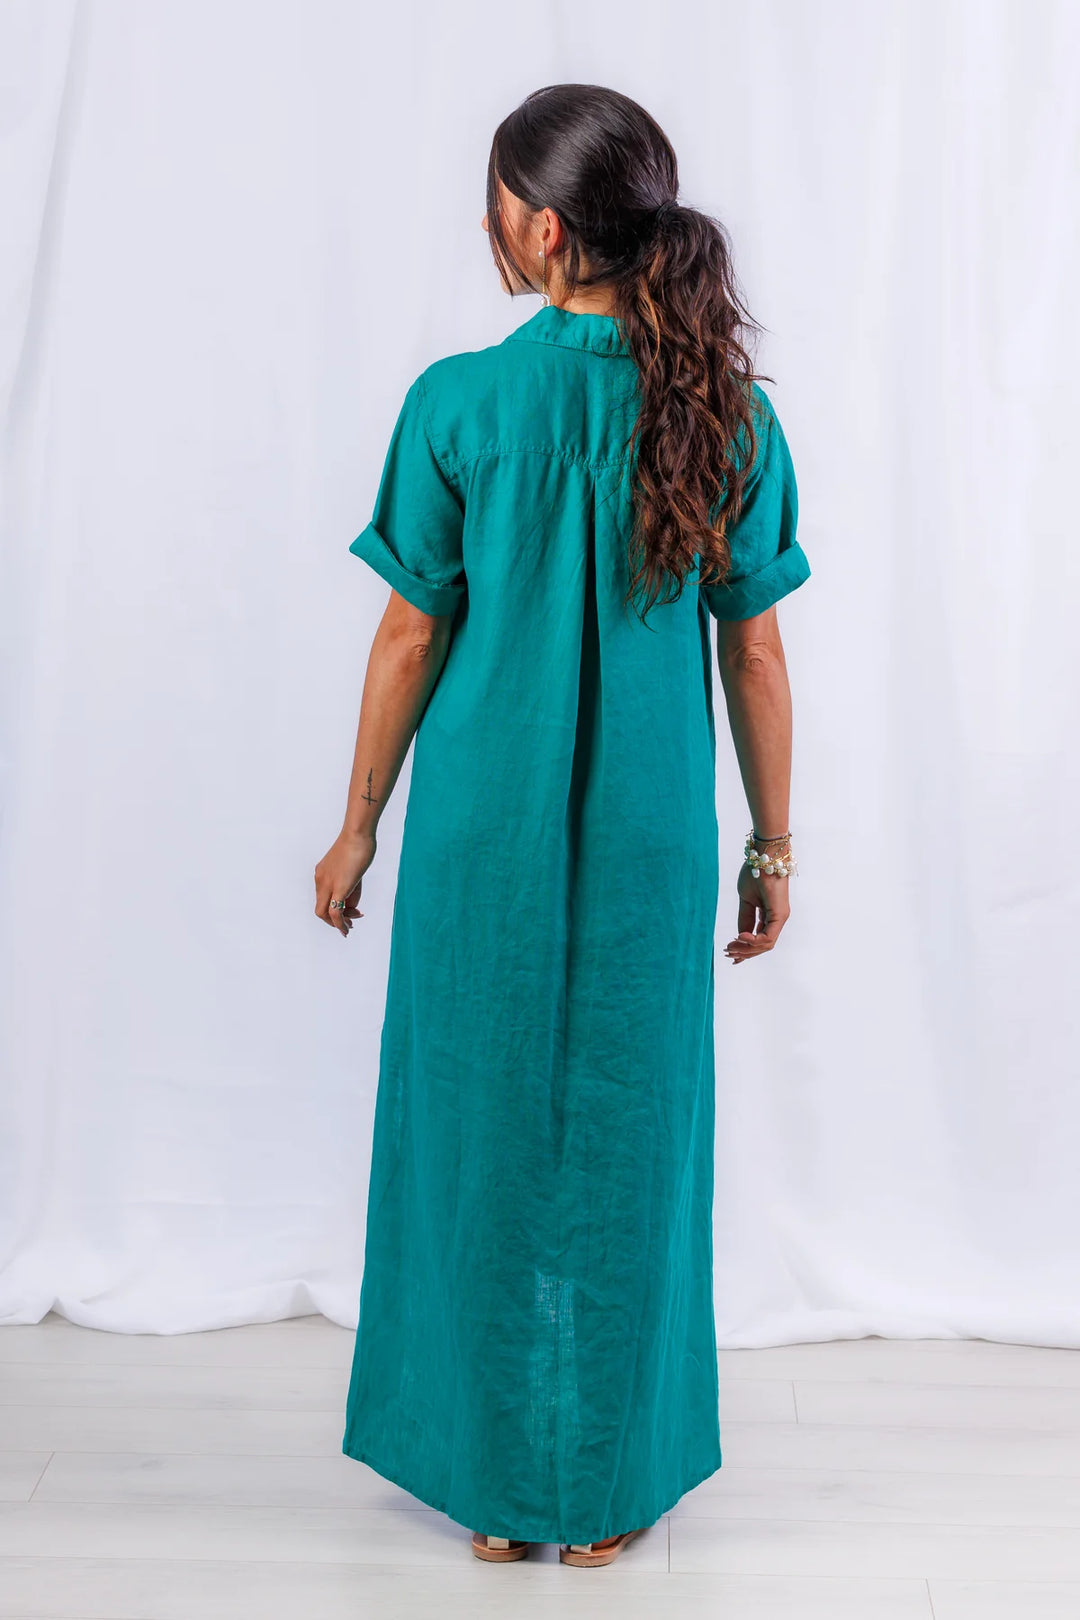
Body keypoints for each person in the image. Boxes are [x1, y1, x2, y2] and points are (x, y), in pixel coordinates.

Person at [314, 82, 811, 1568]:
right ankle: (608, 1490)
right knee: (631, 1141)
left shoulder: (459, 404)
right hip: (655, 840)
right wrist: (773, 843)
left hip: (480, 830)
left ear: (538, 230)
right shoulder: (727, 413)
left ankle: (493, 1486)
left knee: (472, 1130)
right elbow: (757, 653)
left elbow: (409, 635)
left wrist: (358, 826)